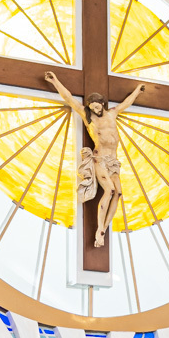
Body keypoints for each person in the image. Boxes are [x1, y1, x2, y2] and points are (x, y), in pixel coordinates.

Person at [44, 72, 146, 247]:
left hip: (113, 161)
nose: (95, 111)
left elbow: (126, 103)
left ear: (102, 104)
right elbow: (69, 98)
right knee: (109, 191)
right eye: (92, 108)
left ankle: (103, 229)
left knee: (119, 193)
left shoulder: (112, 113)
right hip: (100, 159)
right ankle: (99, 227)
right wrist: (55, 81)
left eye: (97, 107)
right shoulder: (87, 117)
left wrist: (137, 91)